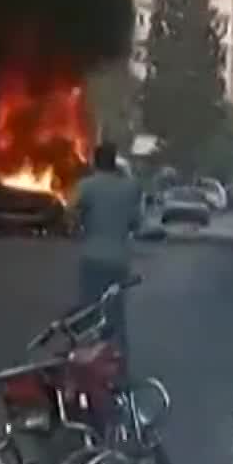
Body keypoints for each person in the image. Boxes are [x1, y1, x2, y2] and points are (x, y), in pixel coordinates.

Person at [68, 142, 143, 356]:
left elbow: (69, 214)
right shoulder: (130, 188)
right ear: (114, 161)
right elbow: (136, 223)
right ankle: (119, 368)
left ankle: (90, 365)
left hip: (92, 258)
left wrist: (82, 224)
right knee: (116, 314)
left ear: (95, 161)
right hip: (119, 261)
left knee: (90, 314)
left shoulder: (86, 186)